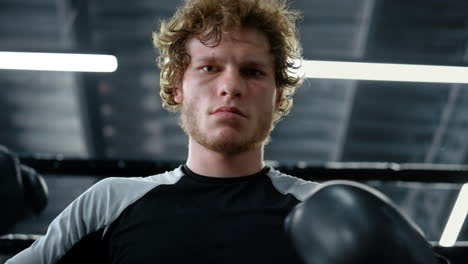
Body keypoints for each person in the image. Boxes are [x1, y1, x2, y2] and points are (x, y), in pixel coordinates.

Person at [6, 0, 318, 263]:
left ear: (277, 96)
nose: (231, 86)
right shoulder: (109, 204)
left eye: (252, 71)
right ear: (177, 87)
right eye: (209, 68)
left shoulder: (319, 209)